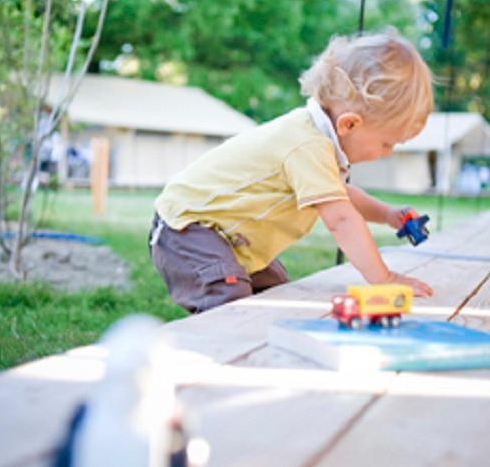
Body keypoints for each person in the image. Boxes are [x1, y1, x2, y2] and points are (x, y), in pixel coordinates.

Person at [149, 29, 435, 313]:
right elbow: (341, 219)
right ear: (349, 124)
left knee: (277, 288)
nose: (387, 154)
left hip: (223, 236)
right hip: (188, 226)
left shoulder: (316, 143)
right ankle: (211, 351)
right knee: (230, 297)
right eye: (387, 143)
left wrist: (385, 214)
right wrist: (384, 279)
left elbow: (342, 196)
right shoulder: (307, 144)